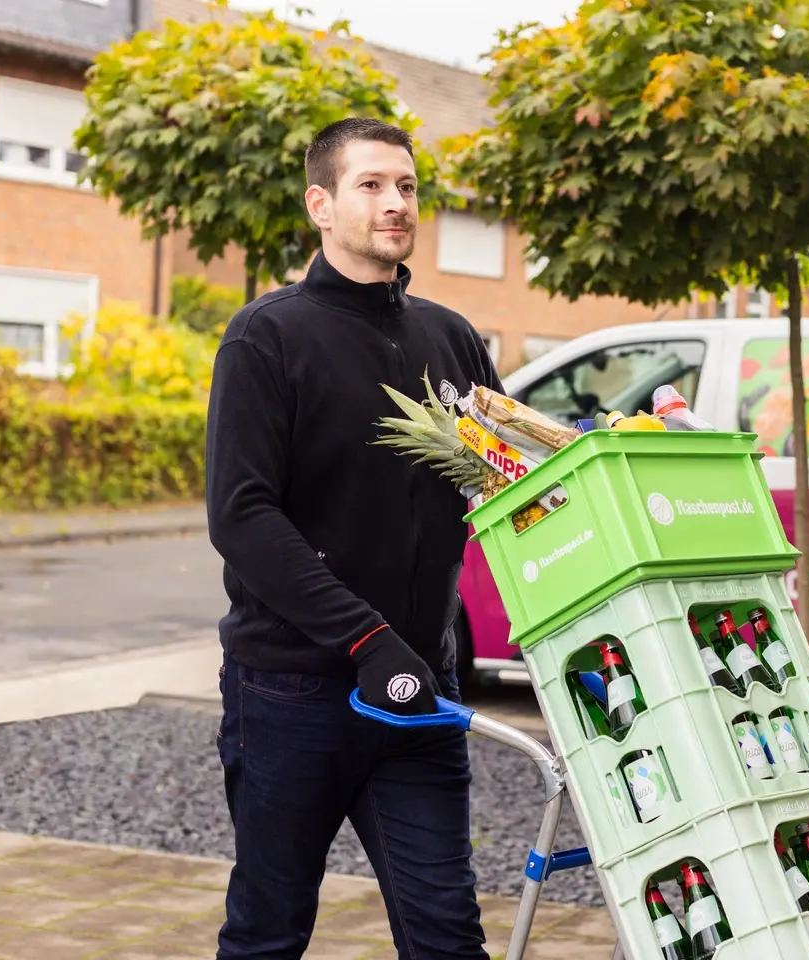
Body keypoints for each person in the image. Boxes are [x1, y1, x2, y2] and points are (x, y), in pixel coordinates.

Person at [203, 117, 500, 960]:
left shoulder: (452, 340)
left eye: (406, 186)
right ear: (321, 205)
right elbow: (242, 516)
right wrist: (366, 638)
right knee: (267, 933)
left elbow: (515, 482)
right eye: (371, 185)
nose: (396, 203)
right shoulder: (268, 337)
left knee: (447, 937)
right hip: (292, 694)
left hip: (421, 689)